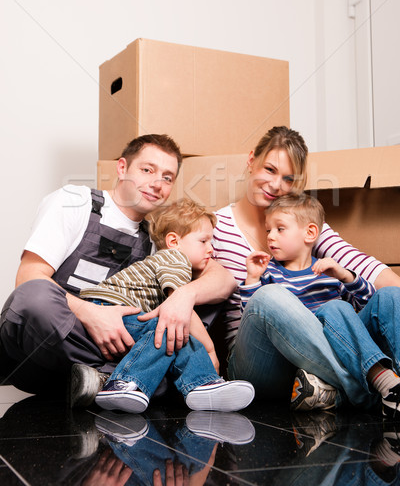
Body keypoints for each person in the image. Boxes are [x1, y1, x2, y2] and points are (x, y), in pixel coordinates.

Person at [0, 134, 236, 397]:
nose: (157, 184)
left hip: (119, 341)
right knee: (32, 296)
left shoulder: (157, 238)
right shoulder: (75, 201)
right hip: (57, 334)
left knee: (196, 310)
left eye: (167, 178)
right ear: (122, 168)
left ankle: (102, 382)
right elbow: (29, 277)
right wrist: (91, 314)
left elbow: (224, 279)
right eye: (147, 170)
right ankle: (136, 379)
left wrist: (185, 295)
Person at [212, 126, 400, 407]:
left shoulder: (306, 226)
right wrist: (184, 296)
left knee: (387, 297)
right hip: (260, 360)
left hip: (319, 352)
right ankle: (368, 392)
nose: (276, 185)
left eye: (288, 179)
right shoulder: (216, 226)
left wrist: (352, 279)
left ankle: (381, 388)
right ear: (251, 161)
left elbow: (365, 268)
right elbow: (193, 274)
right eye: (270, 169)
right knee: (270, 297)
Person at [75, 198, 254, 414]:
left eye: (212, 243)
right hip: (109, 308)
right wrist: (209, 349)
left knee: (169, 336)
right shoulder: (174, 259)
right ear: (173, 241)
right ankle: (125, 383)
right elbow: (181, 308)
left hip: (113, 309)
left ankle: (201, 386)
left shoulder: (165, 260)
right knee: (172, 329)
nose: (211, 250)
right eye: (204, 241)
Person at [240, 192, 400, 419]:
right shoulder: (269, 273)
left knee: (390, 295)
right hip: (307, 352)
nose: (270, 237)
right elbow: (253, 318)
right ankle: (380, 382)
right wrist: (252, 279)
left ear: (310, 233)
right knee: (334, 308)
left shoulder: (329, 271)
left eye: (280, 229)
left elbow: (371, 306)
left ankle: (395, 384)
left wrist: (345, 276)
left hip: (349, 346)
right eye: (268, 230)